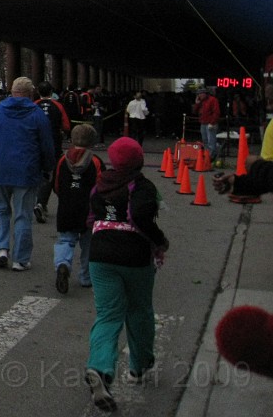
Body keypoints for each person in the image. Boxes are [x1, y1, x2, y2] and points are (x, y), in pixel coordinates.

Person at [84, 137, 168, 412]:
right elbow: (143, 217)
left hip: (100, 256)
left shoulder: (100, 184)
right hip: (134, 257)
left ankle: (99, 367)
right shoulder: (142, 187)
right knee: (139, 309)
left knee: (108, 313)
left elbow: (91, 216)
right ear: (139, 160)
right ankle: (139, 364)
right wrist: (160, 241)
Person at [0, 76, 55, 272]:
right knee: (23, 215)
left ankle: (2, 249)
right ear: (30, 93)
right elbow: (46, 145)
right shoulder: (37, 114)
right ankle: (21, 259)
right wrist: (48, 168)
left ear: (11, 91)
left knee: (0, 210)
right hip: (26, 170)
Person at [52, 125, 104, 294]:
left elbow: (57, 184)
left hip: (67, 205)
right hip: (88, 208)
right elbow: (101, 185)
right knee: (88, 244)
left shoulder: (63, 159)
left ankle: (62, 263)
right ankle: (86, 277)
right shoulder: (95, 161)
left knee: (65, 239)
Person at [33, 81, 71, 223]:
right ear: (51, 92)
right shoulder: (58, 105)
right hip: (53, 144)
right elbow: (66, 125)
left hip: (34, 144)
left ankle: (40, 202)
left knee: (39, 174)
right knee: (51, 174)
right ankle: (42, 203)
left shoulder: (33, 105)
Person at [194, 88, 221, 162]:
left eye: (201, 94)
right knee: (205, 140)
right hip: (203, 123)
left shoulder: (213, 100)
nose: (199, 95)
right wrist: (197, 103)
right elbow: (194, 111)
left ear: (205, 93)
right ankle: (207, 155)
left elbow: (216, 112)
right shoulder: (201, 102)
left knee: (211, 141)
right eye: (198, 94)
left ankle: (211, 156)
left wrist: (212, 122)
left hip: (210, 123)